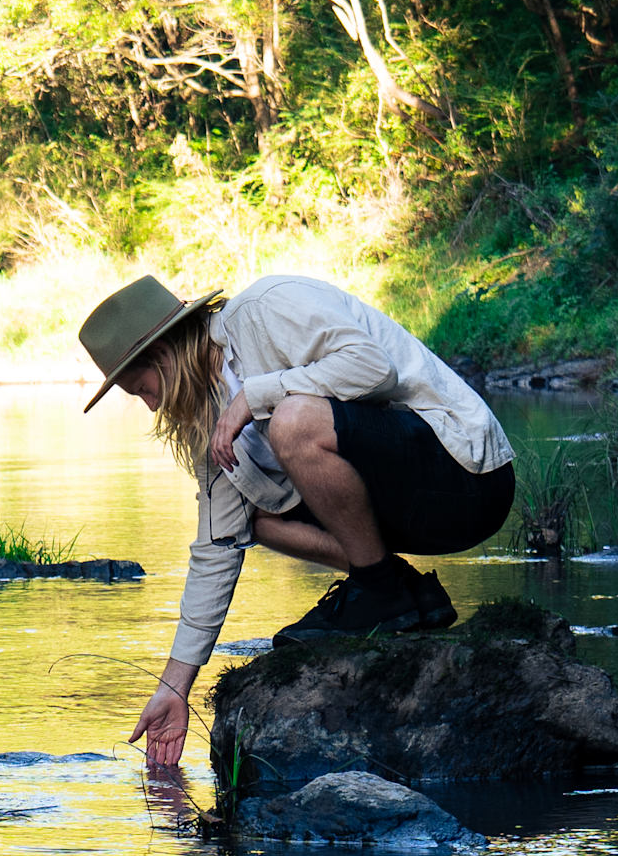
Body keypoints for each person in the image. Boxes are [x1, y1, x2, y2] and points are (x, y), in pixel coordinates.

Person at [77, 272, 515, 770]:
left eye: (142, 390)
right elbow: (216, 549)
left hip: (466, 476)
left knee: (292, 422)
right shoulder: (208, 418)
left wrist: (257, 395)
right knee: (253, 515)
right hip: (410, 506)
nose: (152, 406)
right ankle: (397, 589)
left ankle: (376, 588)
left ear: (162, 356)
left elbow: (375, 370)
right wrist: (174, 687)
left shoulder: (265, 308)